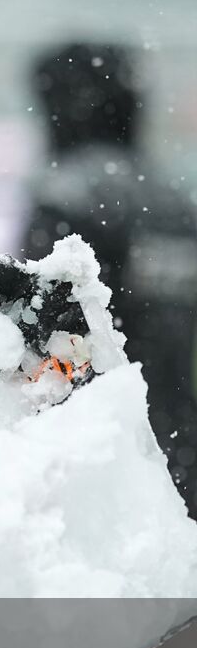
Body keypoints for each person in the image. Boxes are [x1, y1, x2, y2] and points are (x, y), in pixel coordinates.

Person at [21, 40, 197, 512]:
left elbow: (49, 340)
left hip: (96, 453)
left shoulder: (67, 197)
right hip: (179, 446)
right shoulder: (176, 202)